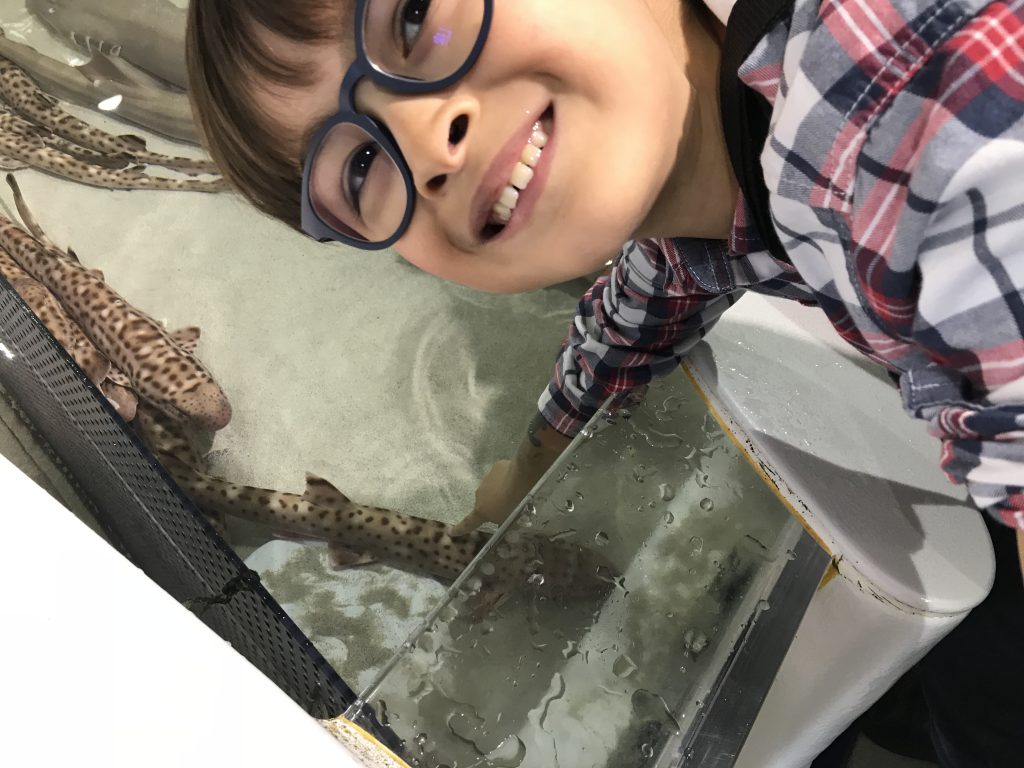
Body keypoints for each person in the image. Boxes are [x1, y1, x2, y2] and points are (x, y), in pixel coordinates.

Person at [186, 0, 1023, 764]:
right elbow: (636, 308)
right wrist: (524, 470)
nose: (426, 144)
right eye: (360, 167)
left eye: (412, 16)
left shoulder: (899, 104)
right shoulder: (710, 197)